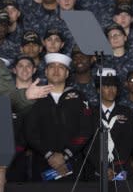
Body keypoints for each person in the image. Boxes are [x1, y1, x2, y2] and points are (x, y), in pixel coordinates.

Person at [24, 53, 93, 181]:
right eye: (52, 67)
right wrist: (50, 155)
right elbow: (30, 132)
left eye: (61, 67)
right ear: (45, 71)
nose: (56, 71)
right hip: (43, 163)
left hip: (73, 162)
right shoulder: (34, 97)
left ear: (67, 73)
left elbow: (86, 131)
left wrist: (65, 155)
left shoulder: (79, 97)